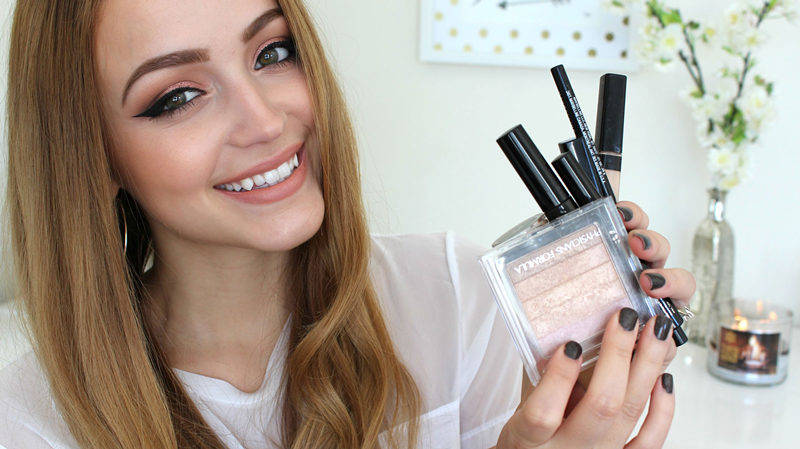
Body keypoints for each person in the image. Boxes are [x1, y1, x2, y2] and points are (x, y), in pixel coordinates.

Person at [0, 0, 695, 448]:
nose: (265, 121)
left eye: (272, 53)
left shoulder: (452, 293)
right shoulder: (31, 419)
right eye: (178, 96)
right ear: (94, 155)